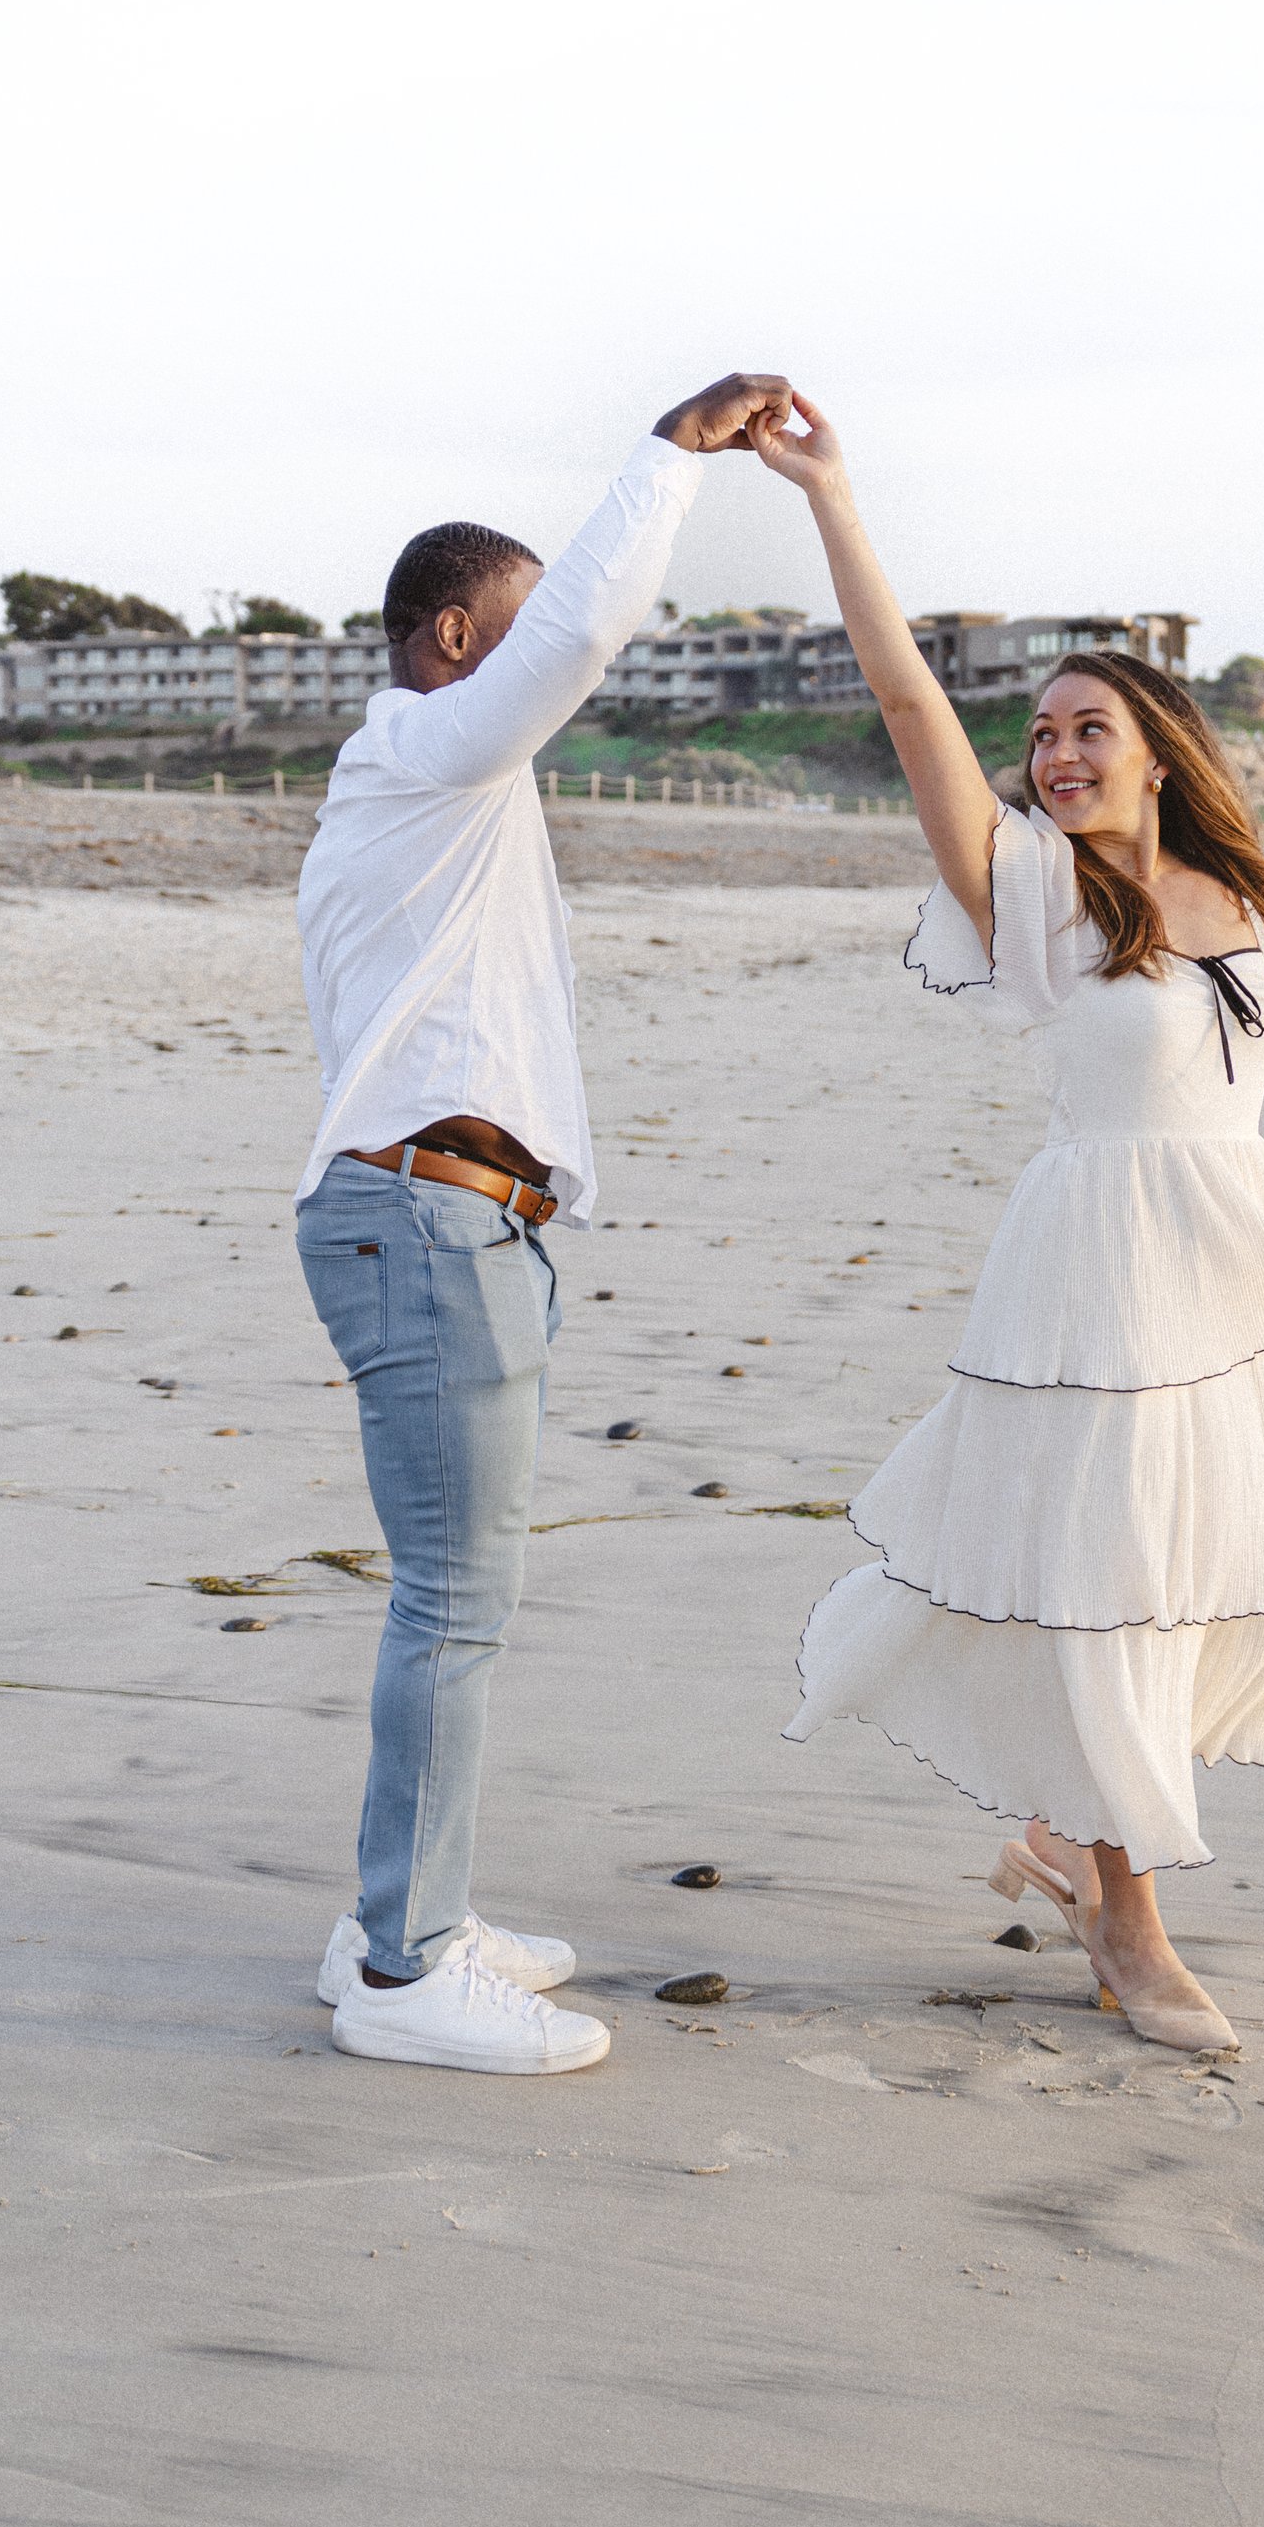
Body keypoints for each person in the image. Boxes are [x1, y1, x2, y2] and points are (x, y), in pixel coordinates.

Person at [757, 395, 1264, 2051]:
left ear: (1161, 749)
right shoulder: (1033, 897)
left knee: (1220, 1585)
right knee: (1117, 1586)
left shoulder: (1236, 904)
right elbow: (902, 700)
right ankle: (1129, 1917)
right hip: (1093, 1284)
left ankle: (1063, 1829)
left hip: (1226, 1291)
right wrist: (835, 500)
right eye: (1042, 733)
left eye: (1090, 725)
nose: (1059, 750)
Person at [293, 372, 792, 2076]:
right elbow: (575, 633)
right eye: (501, 650)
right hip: (423, 1225)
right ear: (449, 641)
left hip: (456, 1224)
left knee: (458, 1598)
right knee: (454, 1601)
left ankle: (405, 1912)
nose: (543, 689)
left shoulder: (437, 798)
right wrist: (672, 457)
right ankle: (404, 1962)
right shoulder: (423, 748)